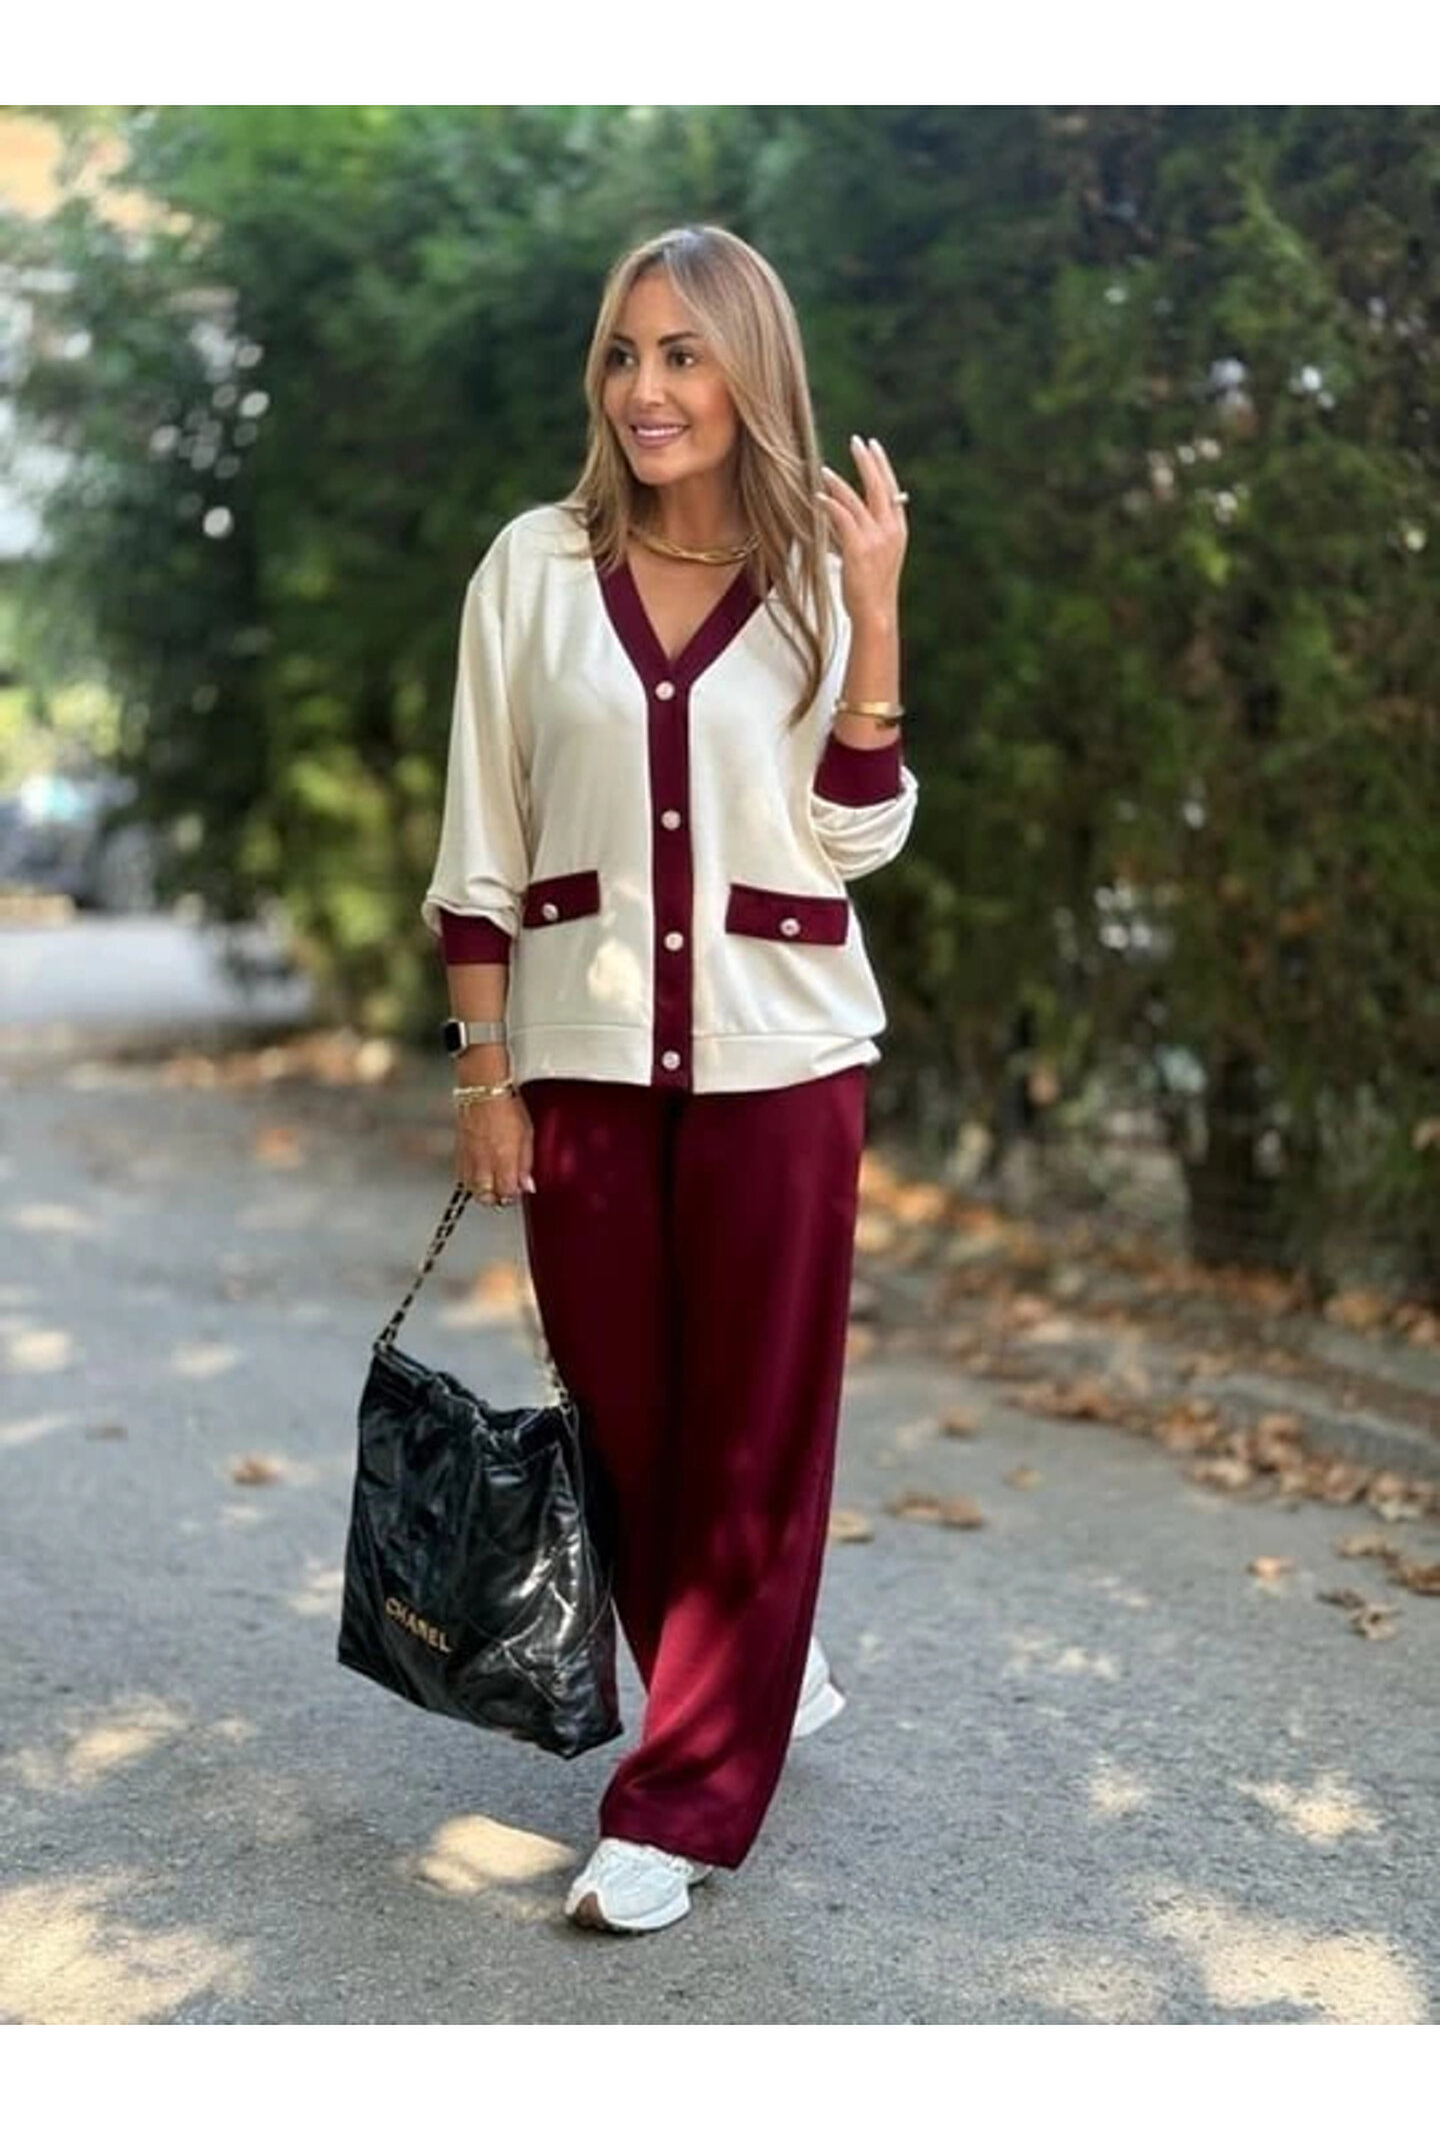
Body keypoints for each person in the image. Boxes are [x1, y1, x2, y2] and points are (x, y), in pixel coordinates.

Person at [420, 222, 918, 1935]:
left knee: (755, 1432)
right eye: (625, 354)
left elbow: (859, 832)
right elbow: (479, 834)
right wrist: (484, 1070)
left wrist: (873, 617)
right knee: (625, 1423)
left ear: (748, 370)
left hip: (786, 1053)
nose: (646, 388)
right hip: (584, 1052)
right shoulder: (533, 566)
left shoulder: (817, 572)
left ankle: (678, 1806)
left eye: (684, 354)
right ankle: (764, 1663)